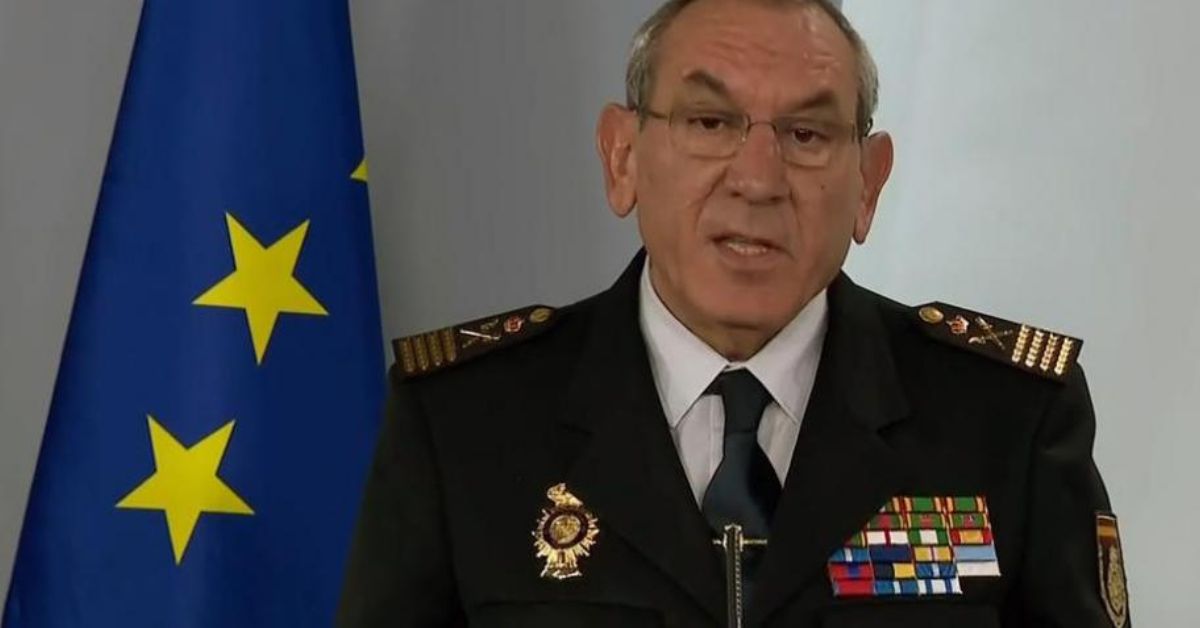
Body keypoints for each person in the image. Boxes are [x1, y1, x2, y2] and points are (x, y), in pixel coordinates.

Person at [337, 0, 1129, 626]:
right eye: (710, 123)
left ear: (868, 183)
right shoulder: (465, 422)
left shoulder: (1006, 423)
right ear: (622, 157)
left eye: (807, 134)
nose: (758, 179)